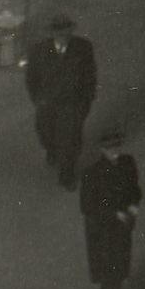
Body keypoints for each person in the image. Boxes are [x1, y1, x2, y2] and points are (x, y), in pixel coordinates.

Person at [24, 14, 98, 188]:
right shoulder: (38, 51)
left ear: (70, 32)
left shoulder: (83, 48)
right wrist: (38, 100)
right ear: (52, 34)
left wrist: (84, 104)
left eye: (66, 33)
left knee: (70, 139)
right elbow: (31, 79)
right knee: (45, 133)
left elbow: (90, 76)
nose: (63, 37)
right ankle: (52, 150)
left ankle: (67, 172)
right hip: (47, 103)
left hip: (72, 103)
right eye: (59, 33)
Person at [79, 127, 141, 289]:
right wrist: (115, 213)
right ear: (101, 150)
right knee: (112, 269)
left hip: (122, 226)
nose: (114, 151)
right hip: (102, 230)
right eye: (109, 148)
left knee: (118, 266)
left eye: (117, 146)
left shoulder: (127, 163)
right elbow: (87, 207)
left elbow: (135, 188)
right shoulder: (92, 174)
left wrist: (134, 204)